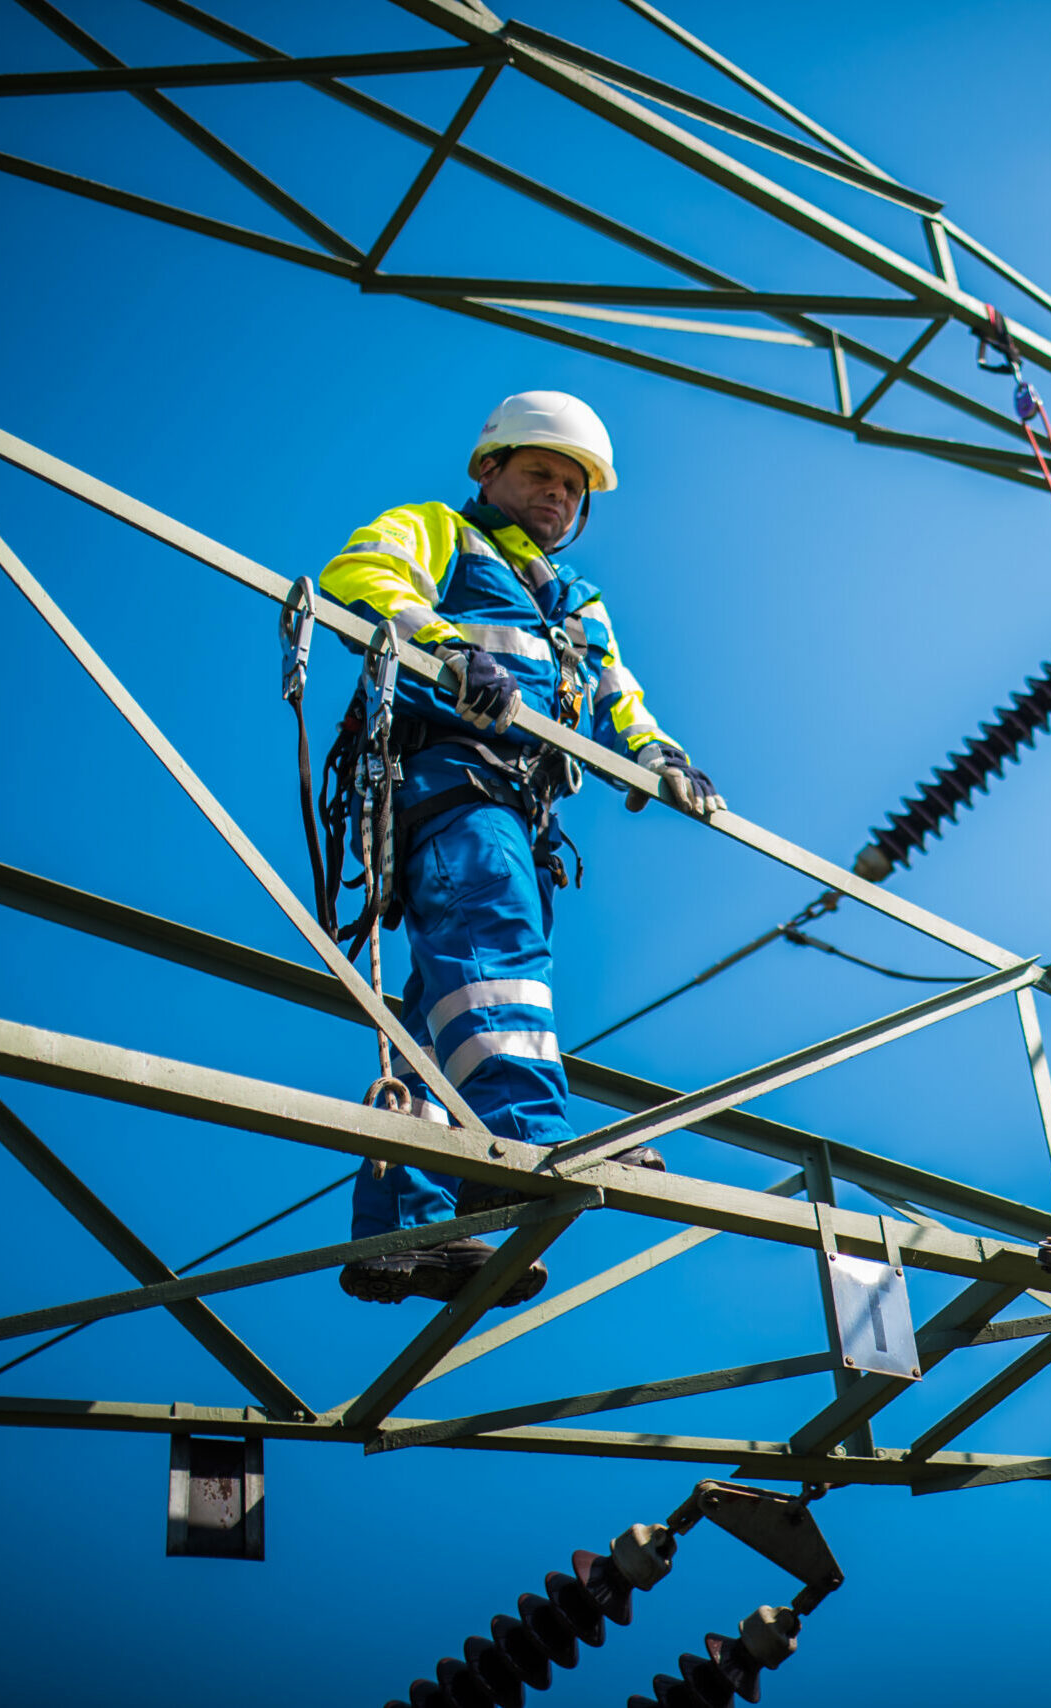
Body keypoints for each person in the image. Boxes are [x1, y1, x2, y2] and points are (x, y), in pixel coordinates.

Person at [318, 391, 722, 1307]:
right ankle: (524, 1140)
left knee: (443, 1010)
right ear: (488, 470)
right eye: (540, 473)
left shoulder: (578, 604)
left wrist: (658, 754)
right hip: (455, 788)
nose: (558, 496)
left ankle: (415, 1230)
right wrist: (449, 647)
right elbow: (359, 577)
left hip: (522, 812)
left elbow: (619, 697)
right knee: (495, 947)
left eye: (574, 488)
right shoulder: (436, 532)